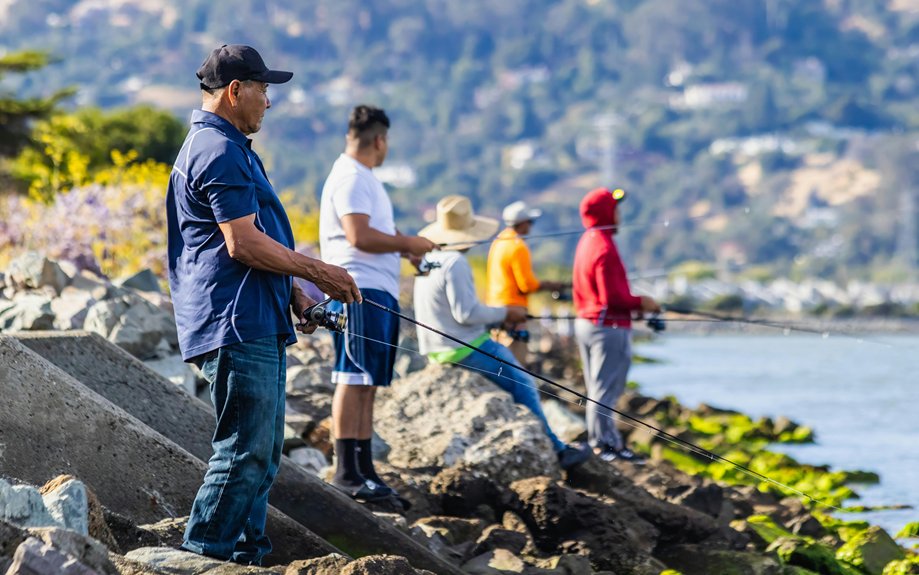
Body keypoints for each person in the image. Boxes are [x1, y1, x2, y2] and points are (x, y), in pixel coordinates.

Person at [166, 45, 361, 566]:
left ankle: (248, 555)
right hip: (236, 321)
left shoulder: (230, 146)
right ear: (235, 92)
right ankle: (203, 555)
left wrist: (293, 292)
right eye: (264, 90)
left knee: (264, 452)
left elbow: (248, 243)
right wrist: (319, 272)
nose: (268, 102)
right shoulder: (217, 150)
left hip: (254, 312)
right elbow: (242, 244)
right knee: (244, 450)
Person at [414, 195, 591, 471]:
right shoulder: (455, 262)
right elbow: (467, 314)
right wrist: (505, 313)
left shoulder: (429, 260)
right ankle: (558, 451)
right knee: (524, 383)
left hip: (435, 347)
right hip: (464, 346)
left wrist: (494, 316)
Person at [319, 105, 438, 501]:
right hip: (358, 290)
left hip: (374, 290)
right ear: (380, 140)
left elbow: (378, 231)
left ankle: (364, 468)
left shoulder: (363, 178)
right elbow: (359, 236)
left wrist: (408, 247)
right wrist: (407, 243)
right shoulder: (351, 177)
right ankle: (346, 472)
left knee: (367, 381)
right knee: (352, 377)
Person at [572, 187, 660, 463]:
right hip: (607, 329)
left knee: (597, 387)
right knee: (605, 390)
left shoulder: (588, 241)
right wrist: (642, 302)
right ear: (606, 213)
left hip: (588, 323)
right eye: (616, 208)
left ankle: (603, 442)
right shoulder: (604, 247)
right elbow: (613, 297)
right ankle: (605, 446)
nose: (620, 214)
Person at [486, 200, 567, 365]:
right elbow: (527, 285)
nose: (531, 226)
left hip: (494, 307)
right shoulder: (518, 246)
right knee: (516, 361)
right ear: (522, 223)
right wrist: (550, 285)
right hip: (514, 310)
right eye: (530, 222)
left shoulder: (498, 242)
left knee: (500, 357)